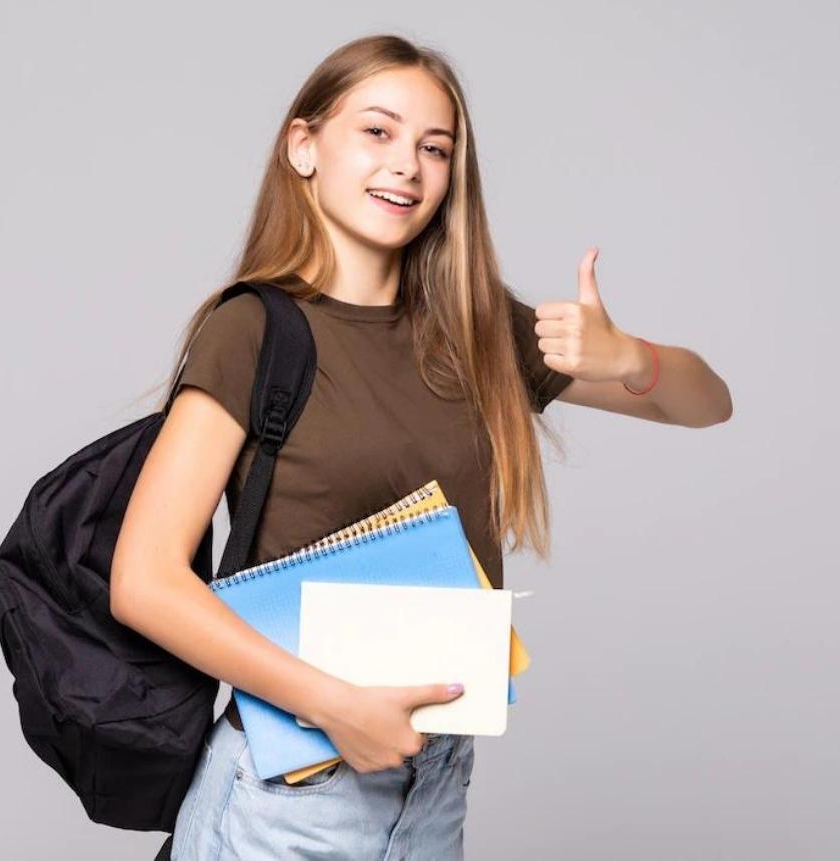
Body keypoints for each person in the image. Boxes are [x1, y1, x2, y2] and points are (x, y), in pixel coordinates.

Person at [110, 33, 732, 860]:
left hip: (433, 787)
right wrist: (332, 703)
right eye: (377, 131)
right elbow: (142, 580)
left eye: (433, 148)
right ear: (305, 147)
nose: (407, 164)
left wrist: (631, 359)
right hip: (292, 792)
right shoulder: (253, 331)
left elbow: (708, 404)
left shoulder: (476, 334)